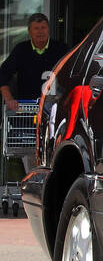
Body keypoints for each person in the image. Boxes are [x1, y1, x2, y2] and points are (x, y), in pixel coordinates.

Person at [1, 13, 69, 173]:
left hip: (52, 113)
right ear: (30, 31)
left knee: (55, 153)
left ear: (49, 30)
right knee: (30, 156)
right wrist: (9, 99)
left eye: (43, 28)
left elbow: (70, 75)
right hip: (27, 114)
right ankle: (33, 187)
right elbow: (3, 75)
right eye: (36, 28)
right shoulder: (21, 50)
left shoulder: (61, 49)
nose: (40, 32)